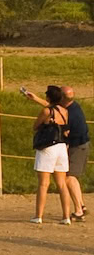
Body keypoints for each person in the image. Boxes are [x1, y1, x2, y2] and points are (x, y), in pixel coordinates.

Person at [27, 84, 73, 224]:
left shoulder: (46, 111)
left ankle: (38, 215)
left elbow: (36, 126)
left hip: (48, 147)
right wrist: (35, 98)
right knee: (62, 184)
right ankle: (66, 216)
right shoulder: (64, 111)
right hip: (61, 147)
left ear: (48, 97)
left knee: (43, 184)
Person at [64, 84, 89, 223]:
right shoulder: (72, 106)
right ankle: (82, 205)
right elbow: (52, 108)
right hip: (80, 146)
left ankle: (79, 211)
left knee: (69, 177)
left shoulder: (71, 114)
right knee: (72, 178)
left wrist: (66, 139)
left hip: (78, 147)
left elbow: (75, 135)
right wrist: (35, 98)